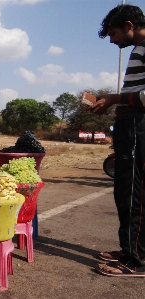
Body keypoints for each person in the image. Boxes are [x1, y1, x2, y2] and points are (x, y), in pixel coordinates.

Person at [90, 4, 145, 277]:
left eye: (113, 33)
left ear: (128, 25)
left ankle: (138, 262)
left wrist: (115, 99)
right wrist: (113, 103)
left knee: (135, 194)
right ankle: (129, 249)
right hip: (129, 127)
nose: (112, 40)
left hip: (139, 128)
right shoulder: (138, 49)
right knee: (124, 191)